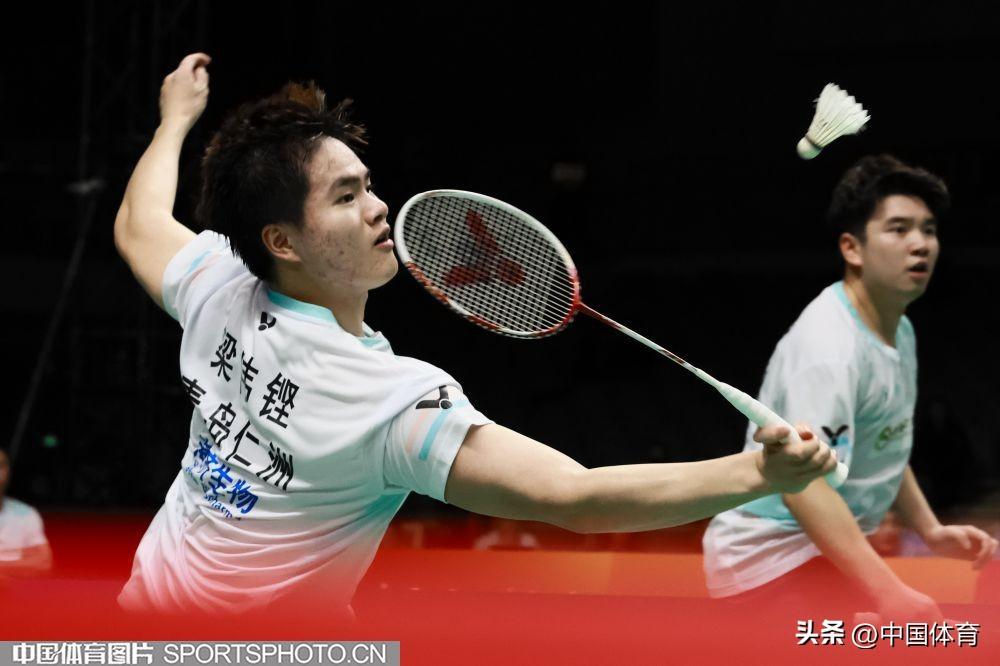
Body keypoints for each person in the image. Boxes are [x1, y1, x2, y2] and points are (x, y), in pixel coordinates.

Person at [113, 53, 838, 615]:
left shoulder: (216, 283)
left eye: (367, 185)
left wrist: (175, 120)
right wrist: (757, 475)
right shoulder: (387, 402)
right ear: (283, 241)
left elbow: (137, 223)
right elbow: (575, 496)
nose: (378, 208)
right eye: (345, 197)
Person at [702, 154, 999, 621]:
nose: (920, 244)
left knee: (918, 638)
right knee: (897, 640)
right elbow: (803, 486)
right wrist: (888, 592)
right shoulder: (829, 348)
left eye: (928, 230)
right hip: (771, 560)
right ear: (852, 248)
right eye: (899, 229)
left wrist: (930, 530)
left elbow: (885, 441)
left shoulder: (898, 330)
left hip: (821, 553)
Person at [0, 448, 53, 579]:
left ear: (8, 472)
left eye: (1, 466)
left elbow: (44, 561)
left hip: (15, 587)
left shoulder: (26, 514)